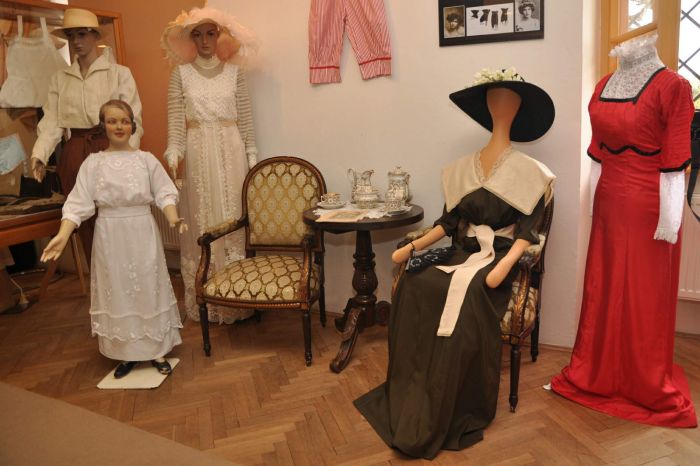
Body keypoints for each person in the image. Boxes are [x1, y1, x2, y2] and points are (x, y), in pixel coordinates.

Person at [353, 68, 555, 459]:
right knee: (416, 282)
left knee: (466, 296)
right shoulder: (462, 168)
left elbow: (527, 233)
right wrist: (412, 249)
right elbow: (447, 224)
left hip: (497, 257)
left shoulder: (533, 174)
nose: (500, 106)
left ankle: (452, 399)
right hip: (462, 251)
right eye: (493, 99)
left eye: (508, 101)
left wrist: (502, 268)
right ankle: (415, 386)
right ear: (486, 107)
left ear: (518, 111)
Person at [550, 34, 697, 427]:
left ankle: (642, 379)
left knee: (643, 290)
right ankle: (598, 369)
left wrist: (670, 221)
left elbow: (675, 160)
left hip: (650, 205)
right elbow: (598, 154)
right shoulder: (603, 84)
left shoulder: (673, 87)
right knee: (605, 284)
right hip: (609, 201)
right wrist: (595, 205)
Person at [40, 100, 185, 379]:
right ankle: (126, 352)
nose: (119, 126)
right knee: (117, 289)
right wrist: (62, 234)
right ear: (103, 126)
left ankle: (156, 349)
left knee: (148, 285)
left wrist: (173, 217)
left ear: (132, 125)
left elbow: (164, 192)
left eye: (124, 121)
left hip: (142, 231)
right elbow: (78, 203)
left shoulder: (146, 160)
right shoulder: (93, 164)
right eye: (112, 121)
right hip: (110, 235)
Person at [161, 7, 259, 324]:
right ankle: (207, 296)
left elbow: (245, 118)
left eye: (210, 33)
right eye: (198, 34)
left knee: (233, 215)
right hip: (199, 150)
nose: (204, 40)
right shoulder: (180, 74)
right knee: (203, 218)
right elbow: (176, 123)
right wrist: (174, 151)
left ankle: (237, 298)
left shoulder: (234, 73)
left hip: (231, 150)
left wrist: (252, 152)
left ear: (220, 36)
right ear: (190, 38)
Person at [30, 8, 143, 265]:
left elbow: (133, 117)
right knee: (84, 221)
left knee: (115, 217)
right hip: (75, 153)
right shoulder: (60, 79)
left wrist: (129, 158)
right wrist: (39, 154)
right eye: (71, 35)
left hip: (110, 148)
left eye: (82, 34)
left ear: (94, 36)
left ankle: (125, 275)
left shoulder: (118, 73)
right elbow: (52, 121)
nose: (76, 41)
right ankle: (98, 280)